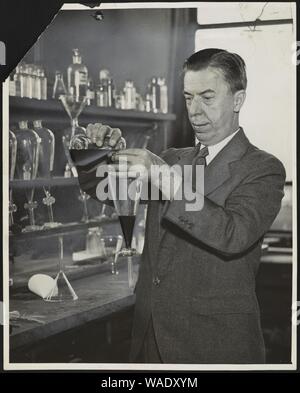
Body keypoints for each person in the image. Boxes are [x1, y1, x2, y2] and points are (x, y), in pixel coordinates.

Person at [77, 48, 286, 364]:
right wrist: (94, 153)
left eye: (207, 97)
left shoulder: (262, 168)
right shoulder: (174, 158)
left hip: (214, 348)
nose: (195, 111)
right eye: (188, 98)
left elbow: (233, 234)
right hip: (150, 342)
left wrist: (163, 175)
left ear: (238, 100)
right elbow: (108, 189)